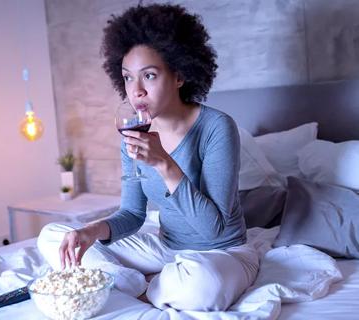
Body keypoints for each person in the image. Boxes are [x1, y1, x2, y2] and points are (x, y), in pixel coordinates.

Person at [37, 3, 259, 311]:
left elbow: (214, 230)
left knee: (202, 287)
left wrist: (164, 164)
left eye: (149, 76)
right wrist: (92, 231)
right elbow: (132, 214)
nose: (136, 91)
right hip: (166, 248)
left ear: (179, 75)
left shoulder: (217, 127)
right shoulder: (133, 133)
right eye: (128, 78)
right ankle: (137, 282)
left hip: (221, 253)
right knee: (54, 236)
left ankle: (126, 284)